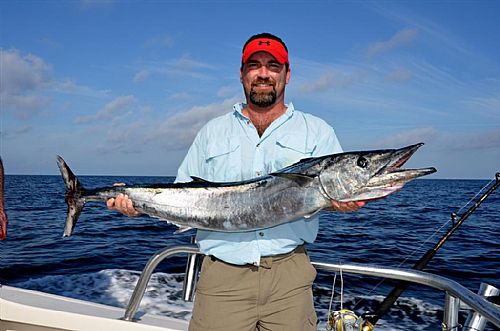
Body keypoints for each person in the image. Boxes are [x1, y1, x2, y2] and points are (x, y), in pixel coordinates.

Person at [108, 32, 365, 331]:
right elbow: (180, 193)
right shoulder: (211, 132)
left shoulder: (318, 132)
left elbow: (328, 194)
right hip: (222, 279)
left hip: (289, 279)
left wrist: (343, 204)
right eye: (254, 65)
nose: (264, 74)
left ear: (287, 74)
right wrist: (136, 204)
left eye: (273, 66)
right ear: (242, 74)